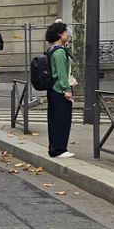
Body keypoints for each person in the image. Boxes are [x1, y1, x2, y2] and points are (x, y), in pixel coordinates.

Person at [45, 20, 73, 158]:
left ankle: (54, 147)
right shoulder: (60, 52)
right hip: (59, 89)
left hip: (52, 88)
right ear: (60, 34)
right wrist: (67, 89)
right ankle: (60, 149)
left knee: (54, 119)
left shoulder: (51, 50)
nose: (67, 34)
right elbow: (62, 73)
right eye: (65, 31)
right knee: (62, 120)